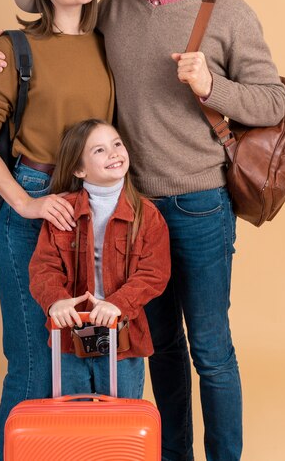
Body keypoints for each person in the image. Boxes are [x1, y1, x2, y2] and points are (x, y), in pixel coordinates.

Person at [0, 0, 285, 461]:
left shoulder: (227, 11)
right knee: (157, 347)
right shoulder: (114, 6)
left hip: (198, 204)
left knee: (212, 351)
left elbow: (272, 101)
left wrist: (212, 85)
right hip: (130, 210)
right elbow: (54, 49)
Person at [0, 0, 114, 461]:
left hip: (93, 208)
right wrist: (26, 202)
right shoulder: (13, 48)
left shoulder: (106, 42)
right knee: (33, 363)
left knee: (82, 358)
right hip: (34, 204)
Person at [29, 118, 170, 398]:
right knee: (75, 418)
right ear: (79, 169)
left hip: (123, 337)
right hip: (71, 336)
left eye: (116, 144)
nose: (114, 153)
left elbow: (154, 272)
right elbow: (44, 267)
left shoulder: (147, 214)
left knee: (122, 419)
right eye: (99, 150)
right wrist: (55, 300)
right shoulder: (62, 212)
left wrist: (117, 304)